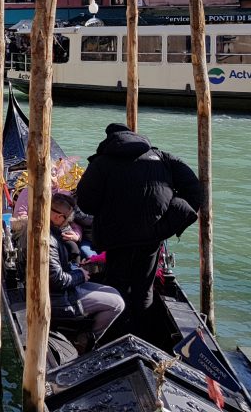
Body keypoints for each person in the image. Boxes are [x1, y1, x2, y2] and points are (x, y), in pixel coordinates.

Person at [75, 123, 202, 334]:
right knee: (144, 288)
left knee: (116, 285)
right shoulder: (162, 157)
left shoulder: (101, 163)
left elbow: (86, 203)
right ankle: (142, 333)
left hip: (116, 236)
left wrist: (108, 209)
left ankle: (115, 335)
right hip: (153, 233)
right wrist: (171, 218)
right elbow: (194, 189)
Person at [47, 193, 124, 352]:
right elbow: (57, 280)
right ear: (57, 217)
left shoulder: (53, 234)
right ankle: (84, 343)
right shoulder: (49, 241)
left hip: (61, 291)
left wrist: (77, 270)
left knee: (113, 292)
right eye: (66, 220)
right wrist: (80, 275)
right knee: (117, 304)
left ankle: (84, 335)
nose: (67, 224)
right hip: (58, 298)